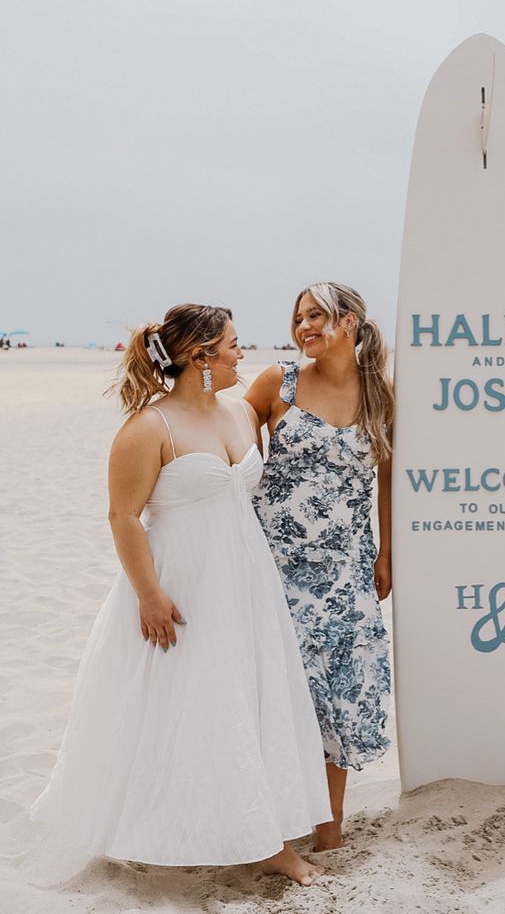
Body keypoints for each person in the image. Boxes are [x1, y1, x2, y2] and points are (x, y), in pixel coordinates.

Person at [32, 304, 331, 884]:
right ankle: (210, 837)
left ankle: (263, 836)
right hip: (179, 584)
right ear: (201, 357)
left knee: (244, 696)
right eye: (233, 345)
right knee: (184, 704)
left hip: (245, 581)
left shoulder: (241, 415)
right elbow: (123, 516)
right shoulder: (148, 429)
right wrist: (147, 594)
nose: (243, 353)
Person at [246, 283, 394, 851]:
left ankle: (330, 828)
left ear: (349, 322)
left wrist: (387, 552)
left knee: (344, 691)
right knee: (291, 689)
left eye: (317, 316)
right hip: (274, 565)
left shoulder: (380, 393)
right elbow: (225, 437)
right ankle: (279, 820)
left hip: (347, 569)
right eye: (299, 317)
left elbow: (387, 473)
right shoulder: (276, 382)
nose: (304, 326)